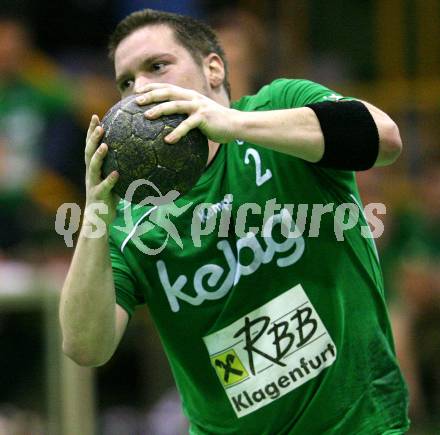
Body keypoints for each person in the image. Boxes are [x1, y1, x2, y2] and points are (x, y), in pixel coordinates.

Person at [59, 8, 410, 434]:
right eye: (126, 82)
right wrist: (95, 214)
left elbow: (385, 140)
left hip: (360, 425)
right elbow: (85, 347)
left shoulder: (281, 108)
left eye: (157, 66)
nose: (141, 89)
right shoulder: (130, 218)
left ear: (213, 68)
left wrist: (234, 123)